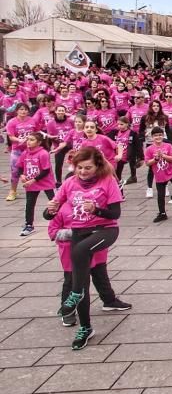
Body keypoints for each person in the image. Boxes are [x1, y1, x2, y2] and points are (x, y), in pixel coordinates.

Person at [44, 146, 124, 350]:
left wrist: (96, 209)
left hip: (104, 230)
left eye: (87, 168)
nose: (82, 172)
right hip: (79, 233)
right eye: (79, 168)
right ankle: (86, 327)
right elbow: (50, 213)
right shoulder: (70, 183)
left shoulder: (108, 181)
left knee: (79, 253)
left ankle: (76, 293)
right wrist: (49, 210)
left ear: (97, 166)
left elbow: (115, 214)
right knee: (81, 281)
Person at [48, 208, 130, 328]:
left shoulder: (94, 205)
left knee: (100, 275)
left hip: (96, 250)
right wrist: (77, 234)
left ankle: (109, 300)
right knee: (71, 281)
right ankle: (67, 311)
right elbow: (52, 231)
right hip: (72, 251)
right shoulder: (61, 208)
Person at [15, 131, 56, 237]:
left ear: (39, 142)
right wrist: (21, 175)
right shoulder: (25, 153)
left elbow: (45, 171)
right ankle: (29, 225)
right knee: (29, 204)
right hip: (30, 183)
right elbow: (19, 166)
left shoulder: (43, 153)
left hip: (44, 181)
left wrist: (32, 180)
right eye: (28, 139)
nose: (28, 142)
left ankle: (62, 220)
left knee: (54, 201)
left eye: (32, 140)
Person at [144, 126, 172, 223]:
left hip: (171, 171)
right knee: (160, 195)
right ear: (152, 137)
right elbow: (147, 163)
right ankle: (162, 213)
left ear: (163, 135)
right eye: (156, 136)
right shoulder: (149, 149)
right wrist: (155, 159)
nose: (158, 137)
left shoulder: (168, 146)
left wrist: (163, 156)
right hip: (159, 174)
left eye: (160, 135)